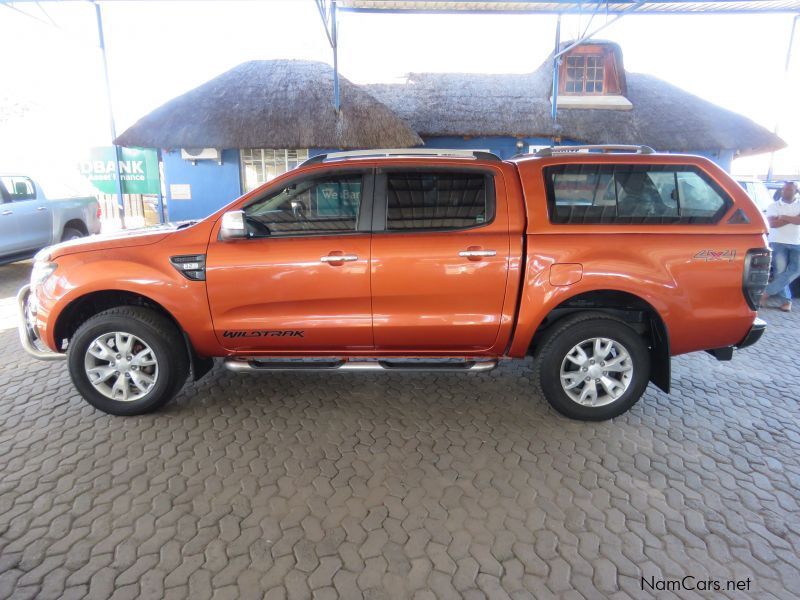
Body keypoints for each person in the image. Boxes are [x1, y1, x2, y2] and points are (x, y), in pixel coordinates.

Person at [762, 181, 800, 311]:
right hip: (778, 241)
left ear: (796, 191)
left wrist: (783, 217)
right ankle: (786, 301)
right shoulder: (773, 205)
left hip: (797, 242)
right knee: (780, 272)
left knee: (796, 270)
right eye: (784, 189)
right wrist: (792, 219)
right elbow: (772, 224)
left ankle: (767, 292)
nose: (786, 192)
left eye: (789, 190)